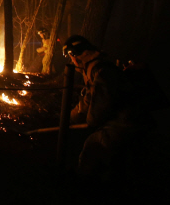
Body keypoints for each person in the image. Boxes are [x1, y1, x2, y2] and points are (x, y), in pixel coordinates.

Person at [63, 35, 155, 183]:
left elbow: (100, 105)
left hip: (126, 123)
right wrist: (67, 119)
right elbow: (87, 100)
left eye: (70, 56)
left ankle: (86, 186)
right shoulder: (92, 67)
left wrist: (91, 123)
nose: (71, 61)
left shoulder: (100, 71)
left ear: (75, 55)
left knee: (93, 147)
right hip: (124, 121)